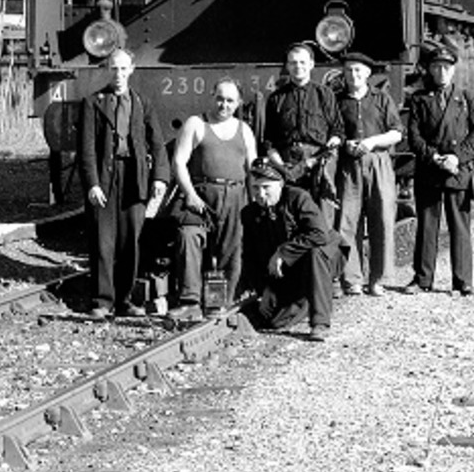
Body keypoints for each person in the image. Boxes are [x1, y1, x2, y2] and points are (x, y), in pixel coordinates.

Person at [76, 49, 168, 318]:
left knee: (131, 239)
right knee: (103, 239)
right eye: (113, 69)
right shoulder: (93, 102)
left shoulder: (142, 103)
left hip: (134, 176)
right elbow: (86, 149)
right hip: (106, 175)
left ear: (132, 69)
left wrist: (160, 178)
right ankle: (103, 301)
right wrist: (92, 183)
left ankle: (126, 299)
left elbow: (157, 143)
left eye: (123, 69)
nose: (118, 75)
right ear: (108, 70)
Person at [166, 78, 257, 322]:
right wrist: (190, 195)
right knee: (188, 237)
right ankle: (190, 301)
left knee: (230, 250)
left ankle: (218, 304)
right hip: (201, 195)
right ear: (211, 97)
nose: (223, 105)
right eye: (219, 98)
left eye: (229, 100)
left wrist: (254, 203)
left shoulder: (244, 130)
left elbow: (253, 170)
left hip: (235, 196)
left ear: (238, 103)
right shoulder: (196, 124)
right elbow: (179, 162)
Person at [402, 44, 474, 297]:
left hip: (457, 169)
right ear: (429, 69)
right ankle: (422, 278)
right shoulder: (418, 99)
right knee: (427, 225)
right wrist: (434, 157)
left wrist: (456, 158)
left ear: (453, 70)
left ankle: (462, 281)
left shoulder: (468, 97)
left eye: (446, 67)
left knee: (460, 225)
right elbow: (414, 136)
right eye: (436, 67)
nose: (441, 72)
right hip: (430, 168)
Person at [239, 162, 341, 341]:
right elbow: (251, 256)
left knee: (314, 254)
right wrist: (263, 290)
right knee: (274, 321)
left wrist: (283, 252)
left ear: (280, 184)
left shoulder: (298, 198)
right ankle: (306, 299)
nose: (260, 194)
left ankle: (320, 322)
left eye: (266, 187)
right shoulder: (249, 213)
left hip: (325, 258)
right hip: (289, 269)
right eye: (255, 188)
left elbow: (319, 234)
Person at [333, 51, 402, 297]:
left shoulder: (382, 99)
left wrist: (372, 142)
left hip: (378, 162)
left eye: (358, 70)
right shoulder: (337, 100)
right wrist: (344, 145)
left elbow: (396, 132)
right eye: (349, 70)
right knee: (346, 220)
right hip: (349, 164)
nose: (353, 75)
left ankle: (378, 279)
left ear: (368, 73)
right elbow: (332, 132)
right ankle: (351, 278)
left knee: (381, 218)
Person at [261, 42, 343, 224]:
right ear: (287, 66)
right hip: (286, 161)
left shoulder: (325, 94)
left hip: (319, 162)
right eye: (293, 63)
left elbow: (338, 130)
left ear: (312, 64)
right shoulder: (276, 98)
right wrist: (282, 167)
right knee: (290, 217)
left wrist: (329, 149)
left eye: (302, 62)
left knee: (321, 219)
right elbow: (269, 140)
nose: (298, 67)